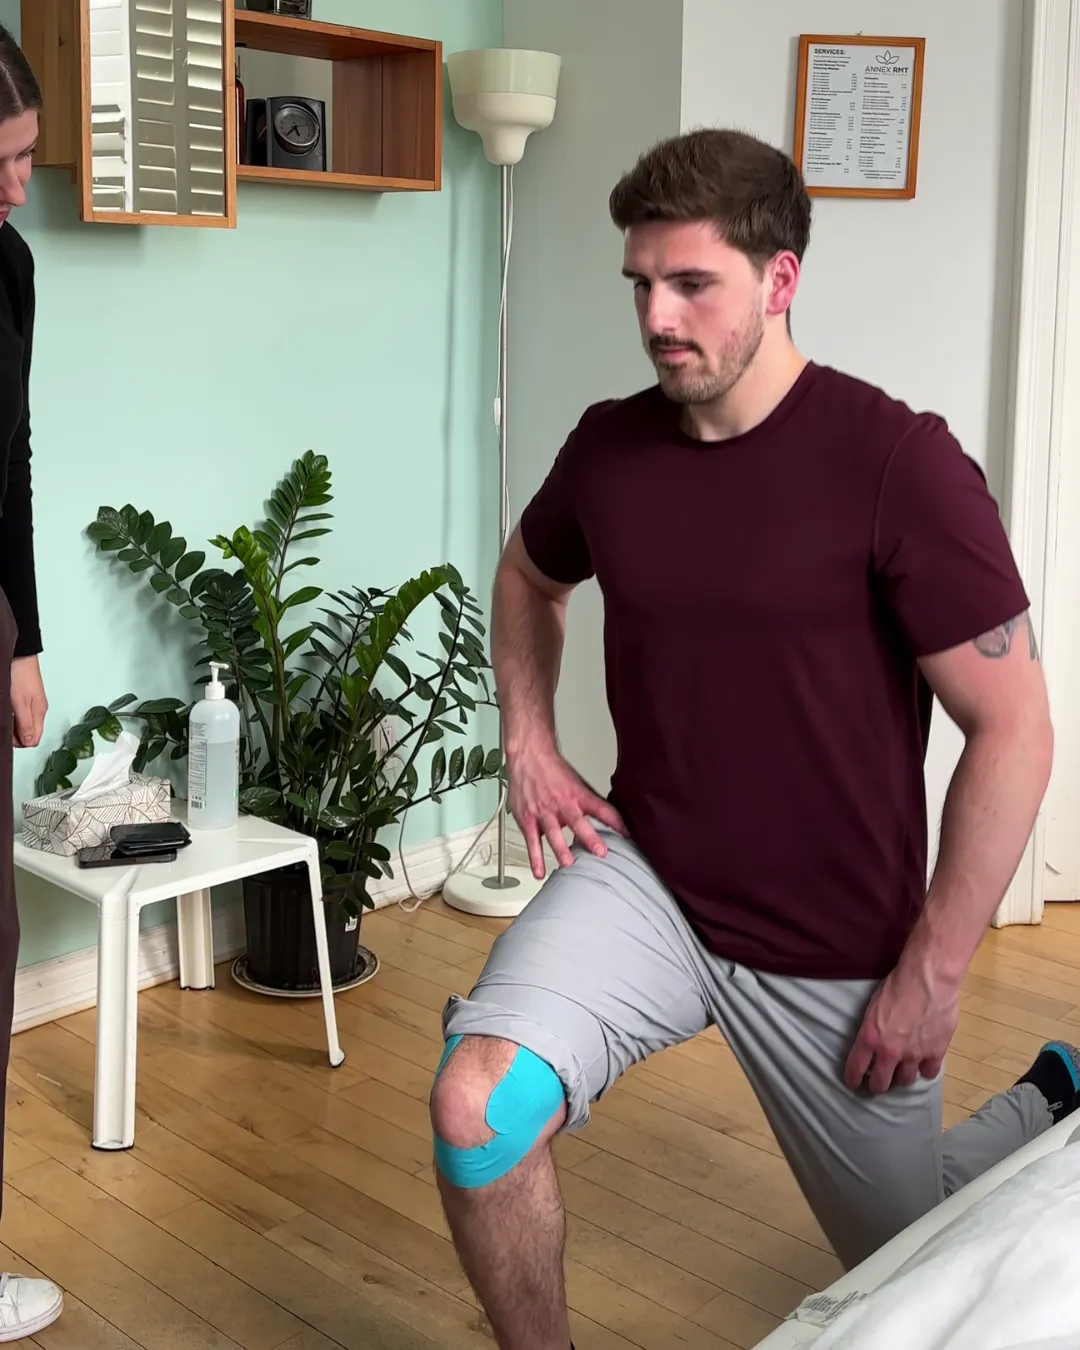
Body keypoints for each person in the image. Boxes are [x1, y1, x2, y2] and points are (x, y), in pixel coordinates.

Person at [428, 128, 1073, 1350]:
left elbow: (1015, 729)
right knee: (478, 1108)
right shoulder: (611, 449)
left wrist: (933, 975)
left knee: (913, 1262)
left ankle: (1047, 1096)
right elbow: (527, 574)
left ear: (779, 282)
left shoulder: (900, 465)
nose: (657, 317)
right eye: (641, 284)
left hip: (831, 939)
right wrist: (528, 740)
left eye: (692, 284)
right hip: (652, 880)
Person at [0, 22, 64, 1341]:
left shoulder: (8, 268)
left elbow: (7, 463)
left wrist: (23, 639)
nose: (19, 183)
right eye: (1, 161)